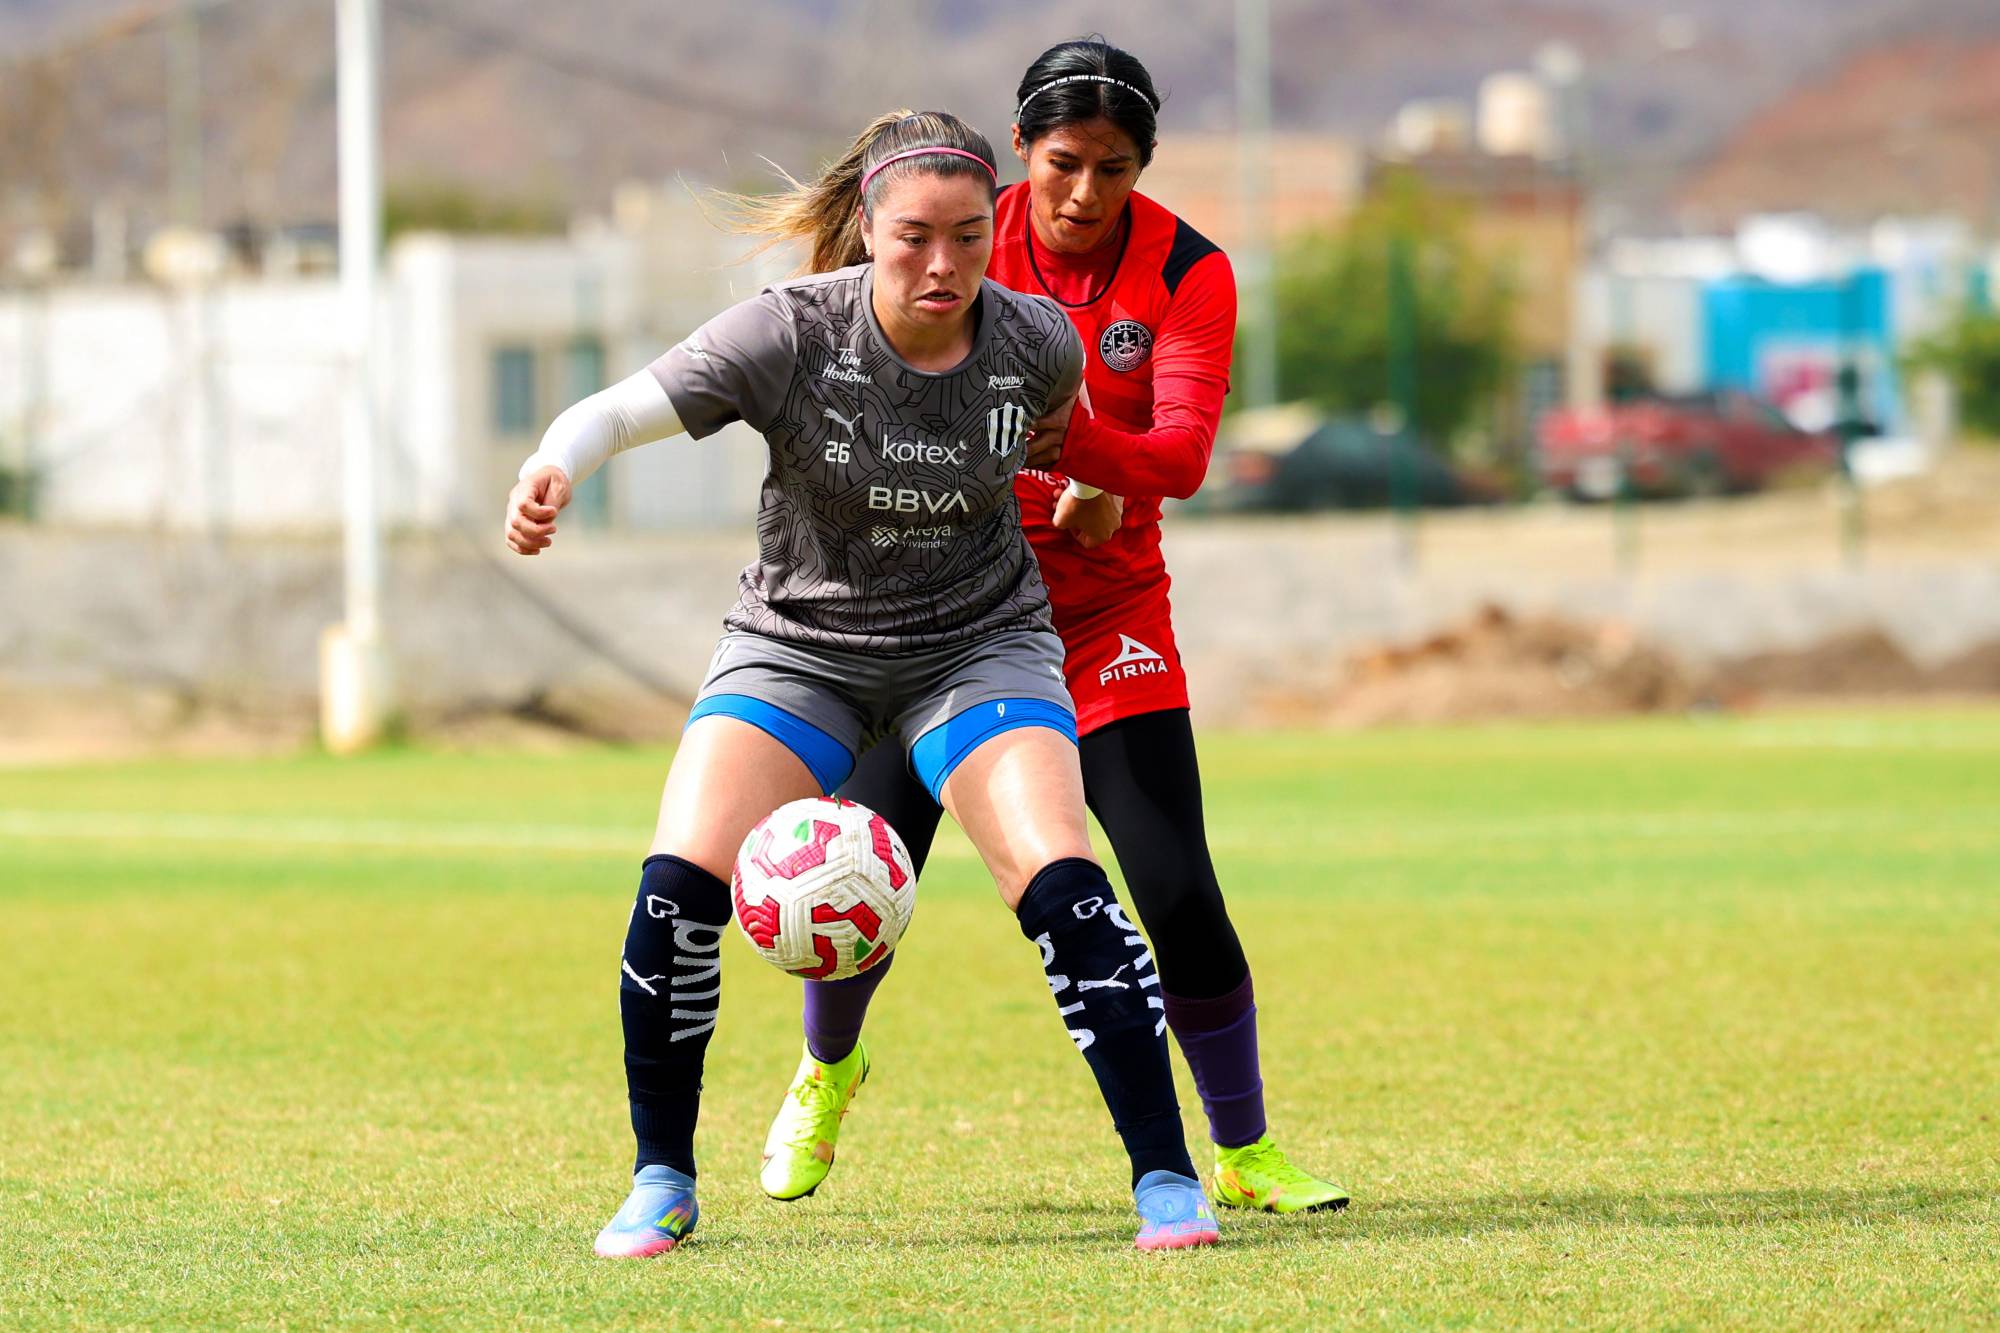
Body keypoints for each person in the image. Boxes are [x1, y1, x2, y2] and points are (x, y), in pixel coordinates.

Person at [504, 109, 1220, 1255]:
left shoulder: (1036, 340)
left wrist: (1094, 495)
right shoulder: (787, 335)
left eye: (970, 237)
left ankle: (1165, 1180)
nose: (943, 264)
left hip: (979, 642)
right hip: (797, 646)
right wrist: (553, 464)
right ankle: (659, 1176)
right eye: (913, 238)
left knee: (1064, 883)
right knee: (675, 884)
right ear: (866, 233)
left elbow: (1061, 440)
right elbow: (616, 409)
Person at [761, 41, 1351, 1218]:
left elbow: (1178, 457)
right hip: (940, 609)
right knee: (862, 873)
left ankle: (1240, 1146)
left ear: (1144, 167)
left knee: (1176, 889)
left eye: (1115, 169)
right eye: (1066, 164)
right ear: (1022, 152)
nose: (1086, 194)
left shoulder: (1188, 269)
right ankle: (828, 1069)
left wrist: (1090, 466)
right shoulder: (957, 236)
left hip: (1101, 614)